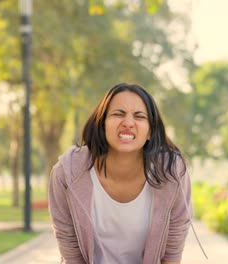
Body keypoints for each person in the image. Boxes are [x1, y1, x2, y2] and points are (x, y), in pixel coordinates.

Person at [48, 82, 193, 264]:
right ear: (102, 124)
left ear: (150, 131)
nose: (128, 123)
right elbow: (70, 252)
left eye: (139, 116)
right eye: (118, 114)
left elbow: (172, 253)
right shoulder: (68, 172)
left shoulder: (171, 173)